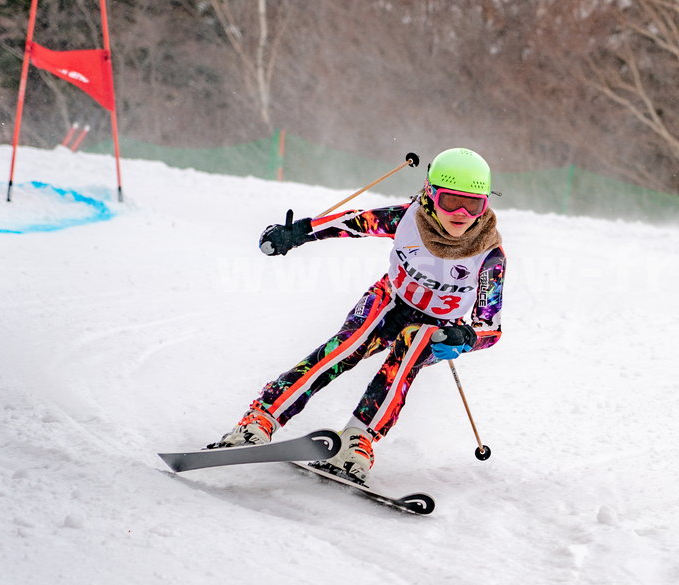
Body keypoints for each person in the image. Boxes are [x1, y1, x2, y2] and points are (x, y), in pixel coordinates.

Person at [210, 147, 506, 484]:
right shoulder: (408, 219)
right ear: (429, 195)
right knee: (345, 347)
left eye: (474, 204)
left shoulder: (489, 255)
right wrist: (299, 233)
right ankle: (261, 419)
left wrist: (466, 338)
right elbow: (353, 222)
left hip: (435, 327)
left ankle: (358, 441)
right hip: (390, 301)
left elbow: (490, 327)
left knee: (405, 361)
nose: (462, 213)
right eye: (451, 201)